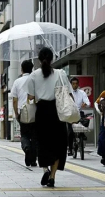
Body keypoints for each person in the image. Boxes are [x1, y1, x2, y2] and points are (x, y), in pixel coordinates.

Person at [28, 47, 73, 187]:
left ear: (39, 59)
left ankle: (45, 169)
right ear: (52, 58)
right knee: (58, 145)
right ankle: (52, 176)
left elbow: (30, 98)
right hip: (57, 111)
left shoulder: (33, 76)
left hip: (41, 112)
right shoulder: (61, 73)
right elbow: (69, 93)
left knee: (42, 143)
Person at [11, 59, 37, 167]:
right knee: (35, 136)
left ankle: (26, 147)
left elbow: (14, 100)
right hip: (35, 112)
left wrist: (16, 113)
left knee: (25, 134)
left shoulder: (17, 82)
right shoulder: (35, 80)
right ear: (32, 69)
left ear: (21, 69)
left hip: (23, 112)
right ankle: (33, 160)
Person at [67, 77, 90, 155]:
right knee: (70, 132)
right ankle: (70, 149)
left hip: (79, 113)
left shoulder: (82, 93)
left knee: (86, 120)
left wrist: (85, 104)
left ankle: (82, 134)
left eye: (76, 84)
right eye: (73, 84)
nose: (75, 85)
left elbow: (88, 102)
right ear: (70, 84)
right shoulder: (67, 93)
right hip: (70, 114)